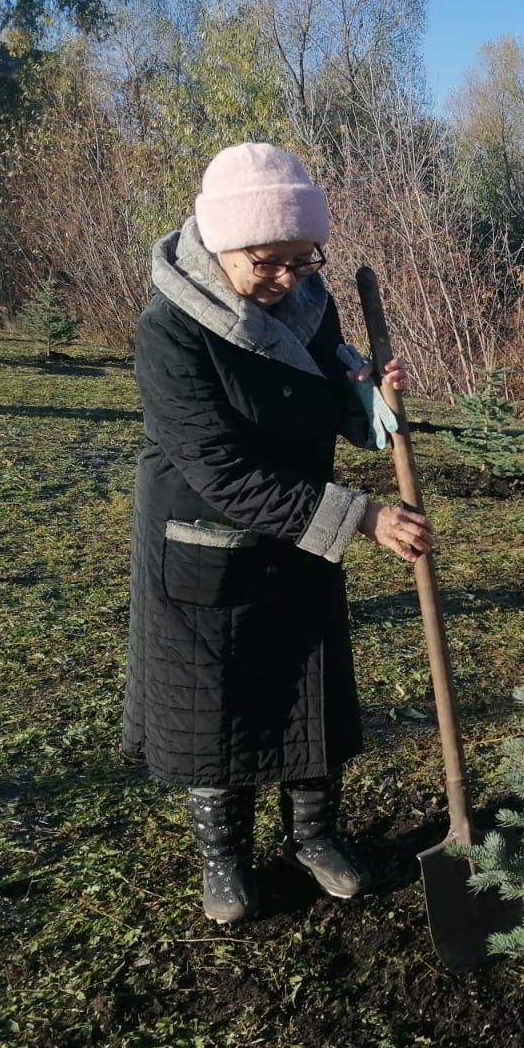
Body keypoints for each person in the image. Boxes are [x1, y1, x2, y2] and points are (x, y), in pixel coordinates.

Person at [122, 142, 434, 924]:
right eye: (269, 262)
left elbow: (340, 403)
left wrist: (372, 399)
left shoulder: (310, 302)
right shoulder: (172, 330)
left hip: (300, 539)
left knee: (310, 696)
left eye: (303, 260)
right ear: (221, 243)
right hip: (207, 539)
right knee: (214, 707)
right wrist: (360, 515)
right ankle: (223, 860)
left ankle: (315, 839)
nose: (289, 279)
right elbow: (219, 471)